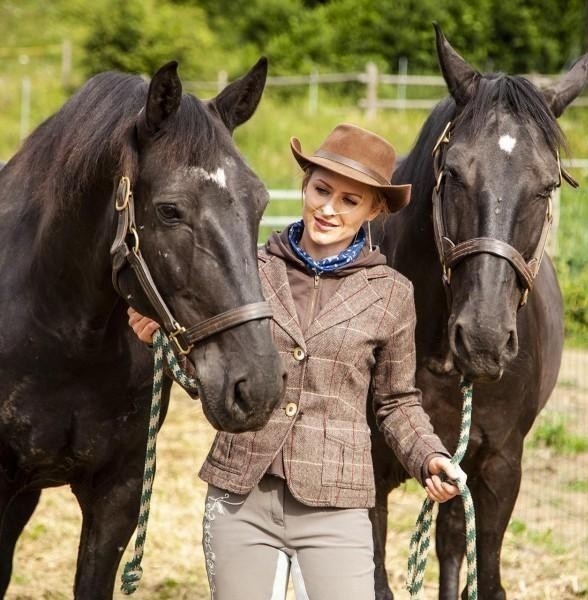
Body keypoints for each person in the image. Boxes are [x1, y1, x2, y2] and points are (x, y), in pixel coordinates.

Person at [127, 123, 464, 600]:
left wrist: (429, 455)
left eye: (350, 200)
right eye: (321, 189)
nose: (328, 208)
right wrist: (162, 340)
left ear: (375, 209)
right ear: (305, 185)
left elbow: (396, 402)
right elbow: (212, 373)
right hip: (241, 497)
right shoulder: (252, 271)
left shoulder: (391, 295)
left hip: (337, 506)